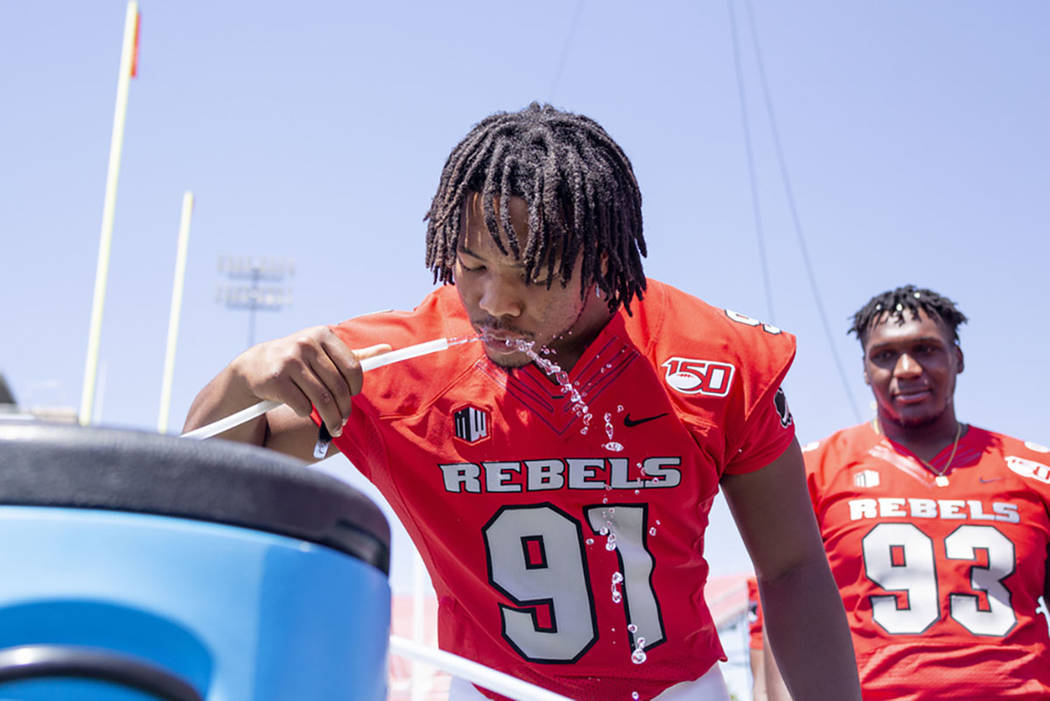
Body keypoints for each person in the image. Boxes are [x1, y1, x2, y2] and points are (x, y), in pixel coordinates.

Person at [184, 103, 859, 700]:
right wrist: (244, 378)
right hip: (490, 689)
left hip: (676, 690)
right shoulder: (405, 364)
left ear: (601, 259)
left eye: (532, 274)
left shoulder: (715, 358)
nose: (493, 303)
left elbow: (791, 563)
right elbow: (214, 473)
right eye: (473, 266)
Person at [763, 284, 1050, 699]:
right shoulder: (815, 472)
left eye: (926, 349)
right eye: (884, 355)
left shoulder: (1033, 470)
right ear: (865, 369)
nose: (907, 368)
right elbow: (781, 620)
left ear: (959, 357)